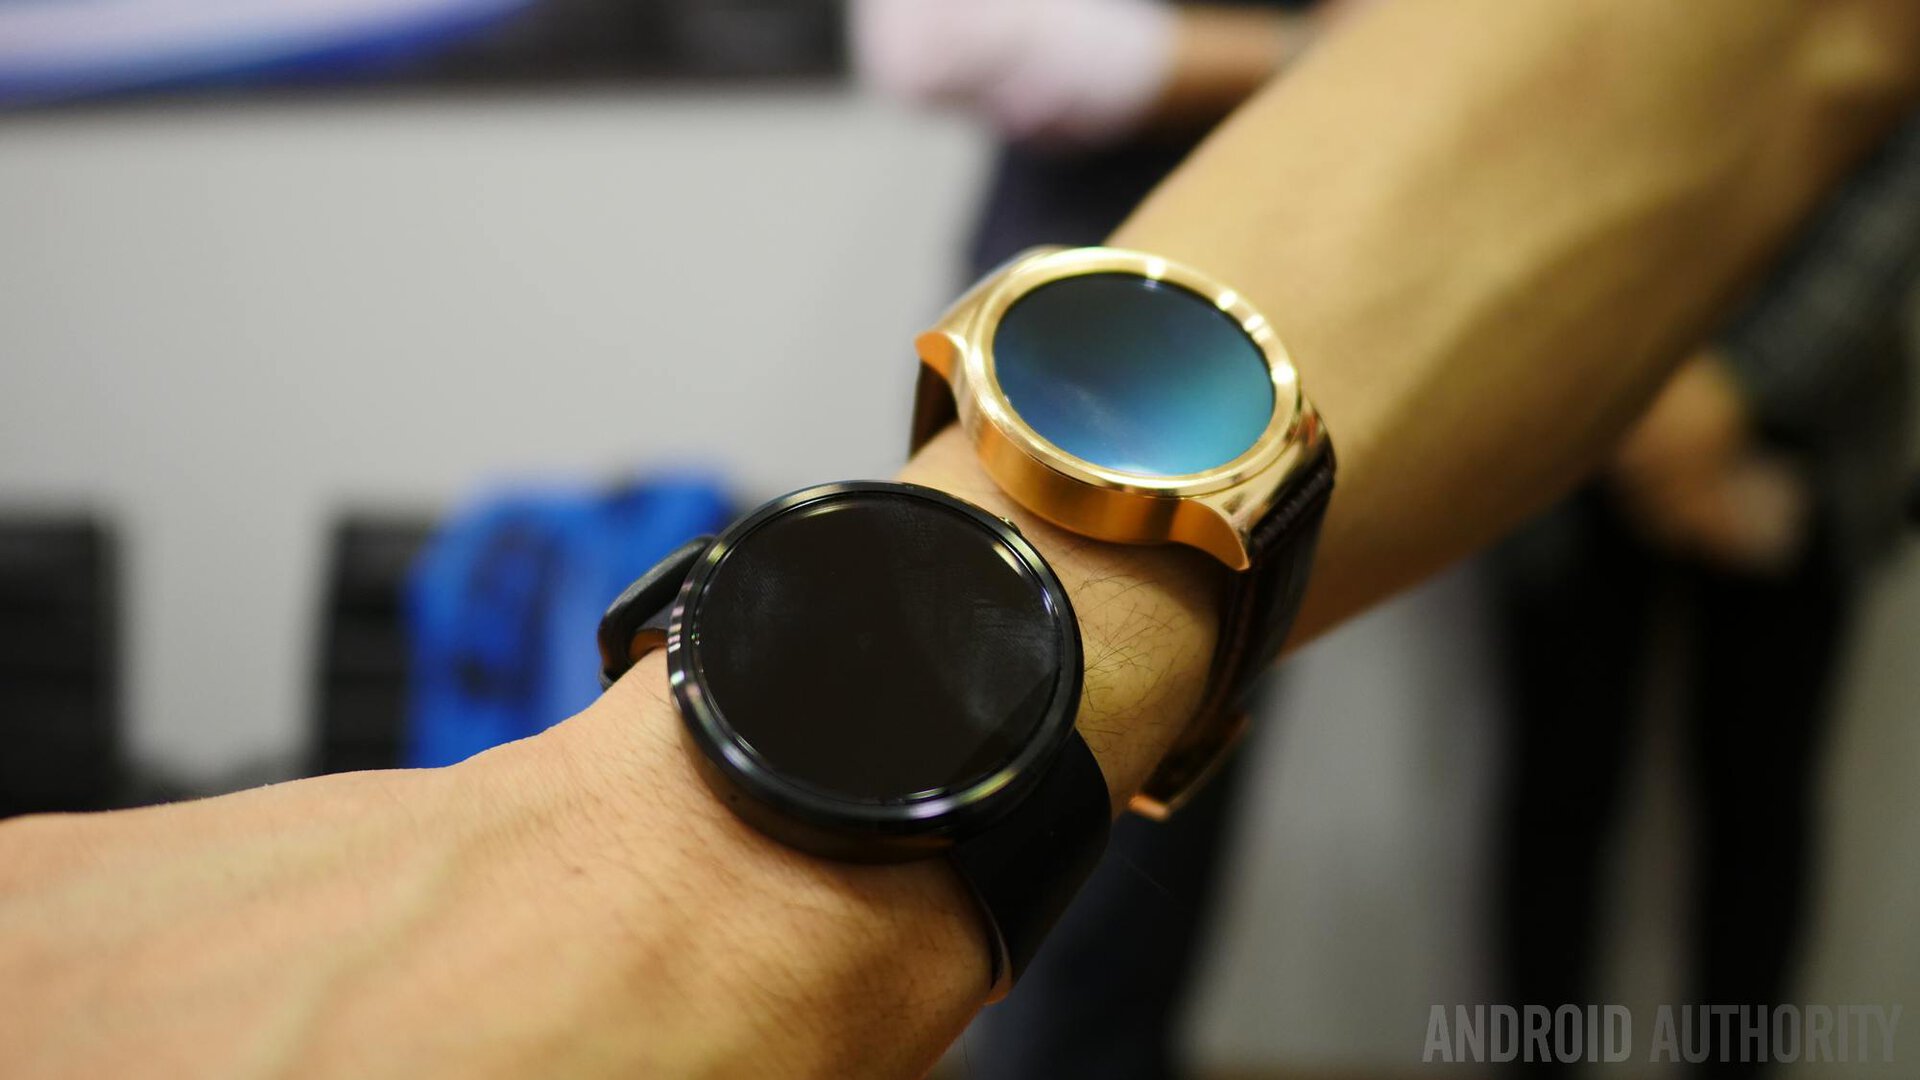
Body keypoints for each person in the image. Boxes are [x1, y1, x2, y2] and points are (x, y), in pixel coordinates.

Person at [2, 3, 1916, 1076]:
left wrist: (685, 878)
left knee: (1134, 929)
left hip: (1182, 395)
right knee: (1107, 942)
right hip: (1098, 364)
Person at [855, 3, 1362, 1076]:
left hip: (1270, 320)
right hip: (1071, 328)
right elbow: (935, 37)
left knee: (1151, 876)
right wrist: (1318, 56)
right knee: (1061, 857)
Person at [1492, 116, 1920, 1077]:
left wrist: (1740, 386)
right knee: (1558, 795)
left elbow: (1901, 172)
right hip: (1567, 419)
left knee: (1759, 802)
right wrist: (1625, 387)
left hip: (1810, 423)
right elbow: (1510, 142)